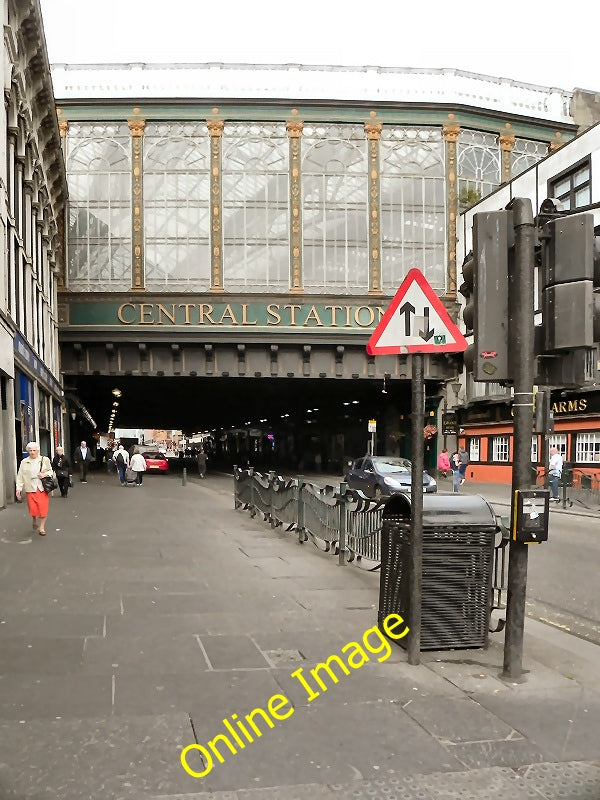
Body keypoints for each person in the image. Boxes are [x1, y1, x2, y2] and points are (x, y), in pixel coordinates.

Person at [15, 442, 54, 536]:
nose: (32, 452)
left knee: (43, 508)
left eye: (34, 450)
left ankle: (42, 527)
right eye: (30, 450)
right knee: (33, 508)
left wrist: (44, 474)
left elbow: (51, 471)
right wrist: (18, 488)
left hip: (41, 487)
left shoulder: (45, 460)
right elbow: (20, 476)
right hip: (30, 487)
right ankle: (34, 519)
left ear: (38, 450)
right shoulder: (24, 462)